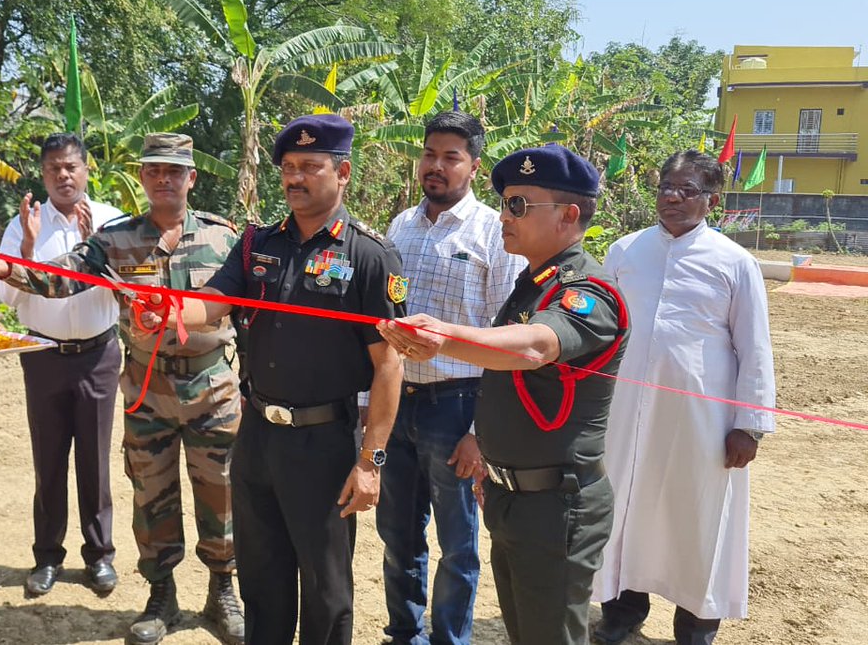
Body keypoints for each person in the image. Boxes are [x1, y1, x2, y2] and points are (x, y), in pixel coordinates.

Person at [0, 133, 245, 645]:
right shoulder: (115, 239)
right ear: (143, 177)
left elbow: (249, 311)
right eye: (154, 171)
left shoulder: (226, 239)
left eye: (174, 171)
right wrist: (3, 266)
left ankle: (222, 590)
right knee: (151, 493)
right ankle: (161, 595)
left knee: (221, 494)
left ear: (191, 178)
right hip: (148, 388)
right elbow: (61, 276)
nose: (164, 180)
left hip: (214, 390)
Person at [155, 114, 406, 645]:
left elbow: (390, 365)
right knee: (261, 579)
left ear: (344, 173)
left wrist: (371, 462)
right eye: (289, 167)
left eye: (310, 166)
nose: (295, 177)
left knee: (326, 587)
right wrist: (170, 311)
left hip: (325, 445)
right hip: (258, 440)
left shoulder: (369, 255)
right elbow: (219, 300)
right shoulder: (256, 244)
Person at [378, 144, 628, 645]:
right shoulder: (533, 283)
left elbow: (536, 347)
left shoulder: (586, 291)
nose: (503, 216)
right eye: (504, 203)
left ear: (568, 215)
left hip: (557, 505)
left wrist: (446, 339)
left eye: (518, 205)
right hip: (514, 496)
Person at [591, 150, 776, 645]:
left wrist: (749, 424)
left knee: (696, 517)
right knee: (624, 507)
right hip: (626, 413)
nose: (672, 197)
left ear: (711, 201)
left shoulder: (736, 262)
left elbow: (754, 347)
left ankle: (695, 624)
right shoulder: (625, 251)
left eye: (687, 190)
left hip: (703, 420)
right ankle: (621, 612)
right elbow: (601, 330)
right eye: (666, 187)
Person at [377, 111, 525, 645]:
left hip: (458, 405)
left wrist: (480, 432)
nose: (435, 166)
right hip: (397, 402)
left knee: (459, 544)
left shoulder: (494, 233)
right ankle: (403, 634)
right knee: (397, 535)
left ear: (474, 167)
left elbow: (505, 337)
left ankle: (448, 639)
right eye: (429, 154)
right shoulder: (399, 228)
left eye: (450, 157)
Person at [0, 133, 125, 599]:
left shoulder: (112, 221)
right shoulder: (22, 225)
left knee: (95, 461)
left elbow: (124, 292)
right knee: (48, 462)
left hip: (98, 355)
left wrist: (94, 249)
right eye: (54, 169)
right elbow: (5, 295)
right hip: (44, 355)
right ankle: (47, 556)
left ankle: (100, 557)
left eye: (71, 167)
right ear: (43, 174)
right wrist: (27, 251)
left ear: (86, 170)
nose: (63, 176)